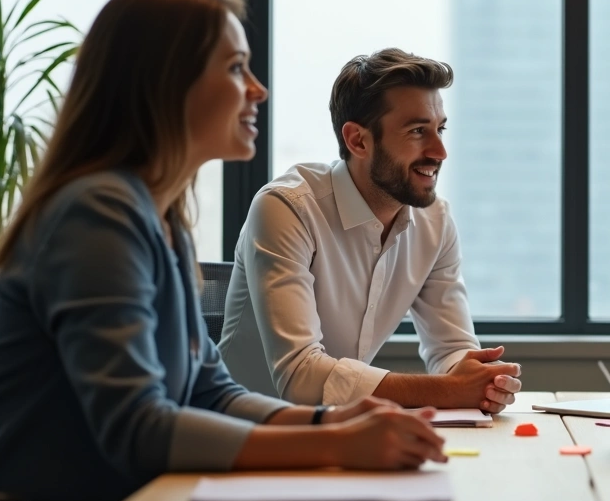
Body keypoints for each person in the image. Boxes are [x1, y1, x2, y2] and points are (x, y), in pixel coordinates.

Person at [0, 0, 447, 501]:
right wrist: (334, 442)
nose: (258, 89)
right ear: (164, 86)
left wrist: (331, 419)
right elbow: (137, 428)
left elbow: (209, 393)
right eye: (235, 68)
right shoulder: (96, 213)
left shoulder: (161, 220)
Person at [217, 48, 521, 412]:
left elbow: (451, 348)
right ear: (358, 140)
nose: (440, 151)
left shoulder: (435, 221)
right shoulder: (287, 208)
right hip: (246, 438)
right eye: (417, 131)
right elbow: (300, 376)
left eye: (439, 129)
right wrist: (449, 390)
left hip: (346, 435)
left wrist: (481, 382)